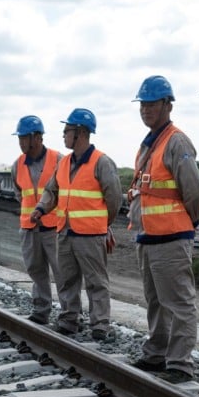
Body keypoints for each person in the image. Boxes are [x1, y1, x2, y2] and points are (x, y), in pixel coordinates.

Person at [127, 75, 199, 384]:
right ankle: (157, 353)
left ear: (167, 105)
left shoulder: (176, 142)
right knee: (156, 301)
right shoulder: (149, 144)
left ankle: (180, 363)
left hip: (171, 237)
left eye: (152, 104)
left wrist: (188, 224)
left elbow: (194, 192)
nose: (145, 109)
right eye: (142, 104)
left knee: (178, 303)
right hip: (149, 237)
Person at [34, 108, 123, 340]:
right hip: (65, 232)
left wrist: (103, 225)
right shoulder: (63, 164)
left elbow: (114, 199)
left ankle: (100, 325)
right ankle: (69, 319)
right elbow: (51, 191)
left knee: (96, 282)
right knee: (67, 280)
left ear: (81, 133)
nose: (63, 135)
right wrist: (41, 208)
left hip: (91, 235)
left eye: (67, 131)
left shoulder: (101, 162)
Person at [11, 115, 63, 325]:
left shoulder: (58, 160)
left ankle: (70, 314)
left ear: (37, 137)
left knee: (62, 272)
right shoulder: (18, 164)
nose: (21, 142)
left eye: (24, 138)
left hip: (53, 227)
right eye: (20, 138)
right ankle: (41, 310)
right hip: (29, 228)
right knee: (35, 269)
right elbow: (18, 193)